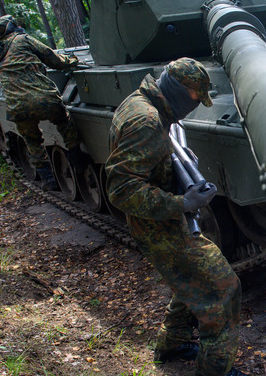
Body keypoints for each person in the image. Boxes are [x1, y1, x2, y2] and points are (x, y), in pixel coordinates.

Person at [104, 58, 246, 376]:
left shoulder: (144, 103)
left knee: (190, 281)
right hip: (158, 224)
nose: (195, 107)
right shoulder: (146, 120)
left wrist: (175, 160)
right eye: (196, 98)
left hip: (162, 220)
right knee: (223, 288)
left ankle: (172, 345)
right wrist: (183, 202)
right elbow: (121, 190)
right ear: (180, 91)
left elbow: (148, 160)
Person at [0, 15, 89, 191]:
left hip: (17, 105)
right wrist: (74, 61)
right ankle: (77, 160)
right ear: (13, 26)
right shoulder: (23, 40)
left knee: (32, 139)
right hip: (42, 98)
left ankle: (48, 179)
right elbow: (54, 60)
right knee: (64, 122)